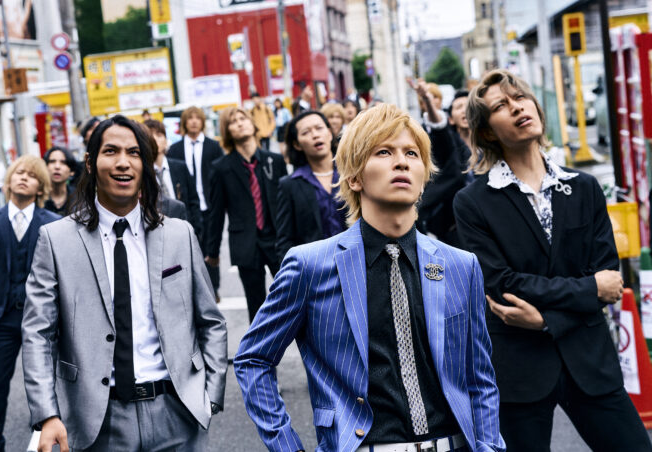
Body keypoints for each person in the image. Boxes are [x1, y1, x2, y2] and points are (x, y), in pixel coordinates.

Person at [234, 103, 504, 452]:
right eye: (384, 152)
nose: (401, 162)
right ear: (354, 178)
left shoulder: (461, 266)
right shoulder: (309, 266)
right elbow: (253, 359)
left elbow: (480, 377)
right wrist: (286, 446)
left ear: (423, 177)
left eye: (411, 153)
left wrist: (489, 446)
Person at [453, 69, 652, 452]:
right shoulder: (473, 202)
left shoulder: (583, 187)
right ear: (488, 132)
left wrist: (545, 320)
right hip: (520, 369)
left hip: (590, 360)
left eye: (520, 98)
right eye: (501, 105)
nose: (517, 107)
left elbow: (608, 280)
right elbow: (503, 284)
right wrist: (588, 289)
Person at [22, 115, 228, 452]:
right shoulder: (56, 240)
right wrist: (47, 414)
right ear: (90, 162)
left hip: (178, 412)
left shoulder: (179, 234)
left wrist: (211, 394)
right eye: (111, 151)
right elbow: (38, 334)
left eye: (134, 153)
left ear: (145, 164)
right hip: (99, 420)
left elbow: (211, 320)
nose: (123, 162)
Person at [0, 155, 59, 452]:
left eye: (32, 175)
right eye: (19, 172)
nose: (24, 177)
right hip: (0, 319)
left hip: (42, 321)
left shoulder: (53, 224)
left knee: (48, 385)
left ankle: (44, 441)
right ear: (8, 180)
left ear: (41, 187)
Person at [206, 107, 287, 322]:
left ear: (252, 124)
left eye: (243, 118)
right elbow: (216, 213)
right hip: (245, 244)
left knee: (293, 297)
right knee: (256, 307)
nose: (240, 123)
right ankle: (261, 344)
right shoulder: (221, 168)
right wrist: (212, 251)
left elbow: (287, 204)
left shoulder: (274, 161)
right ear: (227, 131)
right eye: (233, 122)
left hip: (277, 241)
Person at [166, 106, 224, 295]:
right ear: (184, 123)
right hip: (187, 207)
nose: (193, 121)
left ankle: (213, 289)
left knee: (211, 246)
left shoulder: (213, 147)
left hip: (209, 205)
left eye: (197, 118)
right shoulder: (175, 149)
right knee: (190, 249)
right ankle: (195, 290)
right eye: (189, 118)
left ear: (202, 122)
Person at [276, 110, 346, 261]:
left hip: (356, 263)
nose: (315, 135)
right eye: (306, 132)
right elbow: (285, 240)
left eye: (319, 128)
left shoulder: (351, 174)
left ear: (329, 133)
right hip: (316, 268)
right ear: (297, 144)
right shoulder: (290, 185)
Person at [407, 78, 469, 247]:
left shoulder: (491, 147)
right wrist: (427, 100)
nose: (465, 111)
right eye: (459, 107)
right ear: (451, 118)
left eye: (468, 106)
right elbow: (439, 128)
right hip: (451, 226)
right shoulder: (446, 141)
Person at [144, 119, 202, 241]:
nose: (155, 139)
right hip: (158, 235)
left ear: (166, 140)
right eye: (150, 135)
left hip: (186, 231)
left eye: (159, 135)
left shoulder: (180, 167)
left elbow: (193, 200)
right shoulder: (143, 173)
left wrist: (196, 230)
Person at [43, 146, 76, 217]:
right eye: (52, 161)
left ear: (72, 171)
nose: (57, 166)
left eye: (63, 162)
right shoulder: (37, 198)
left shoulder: (80, 198)